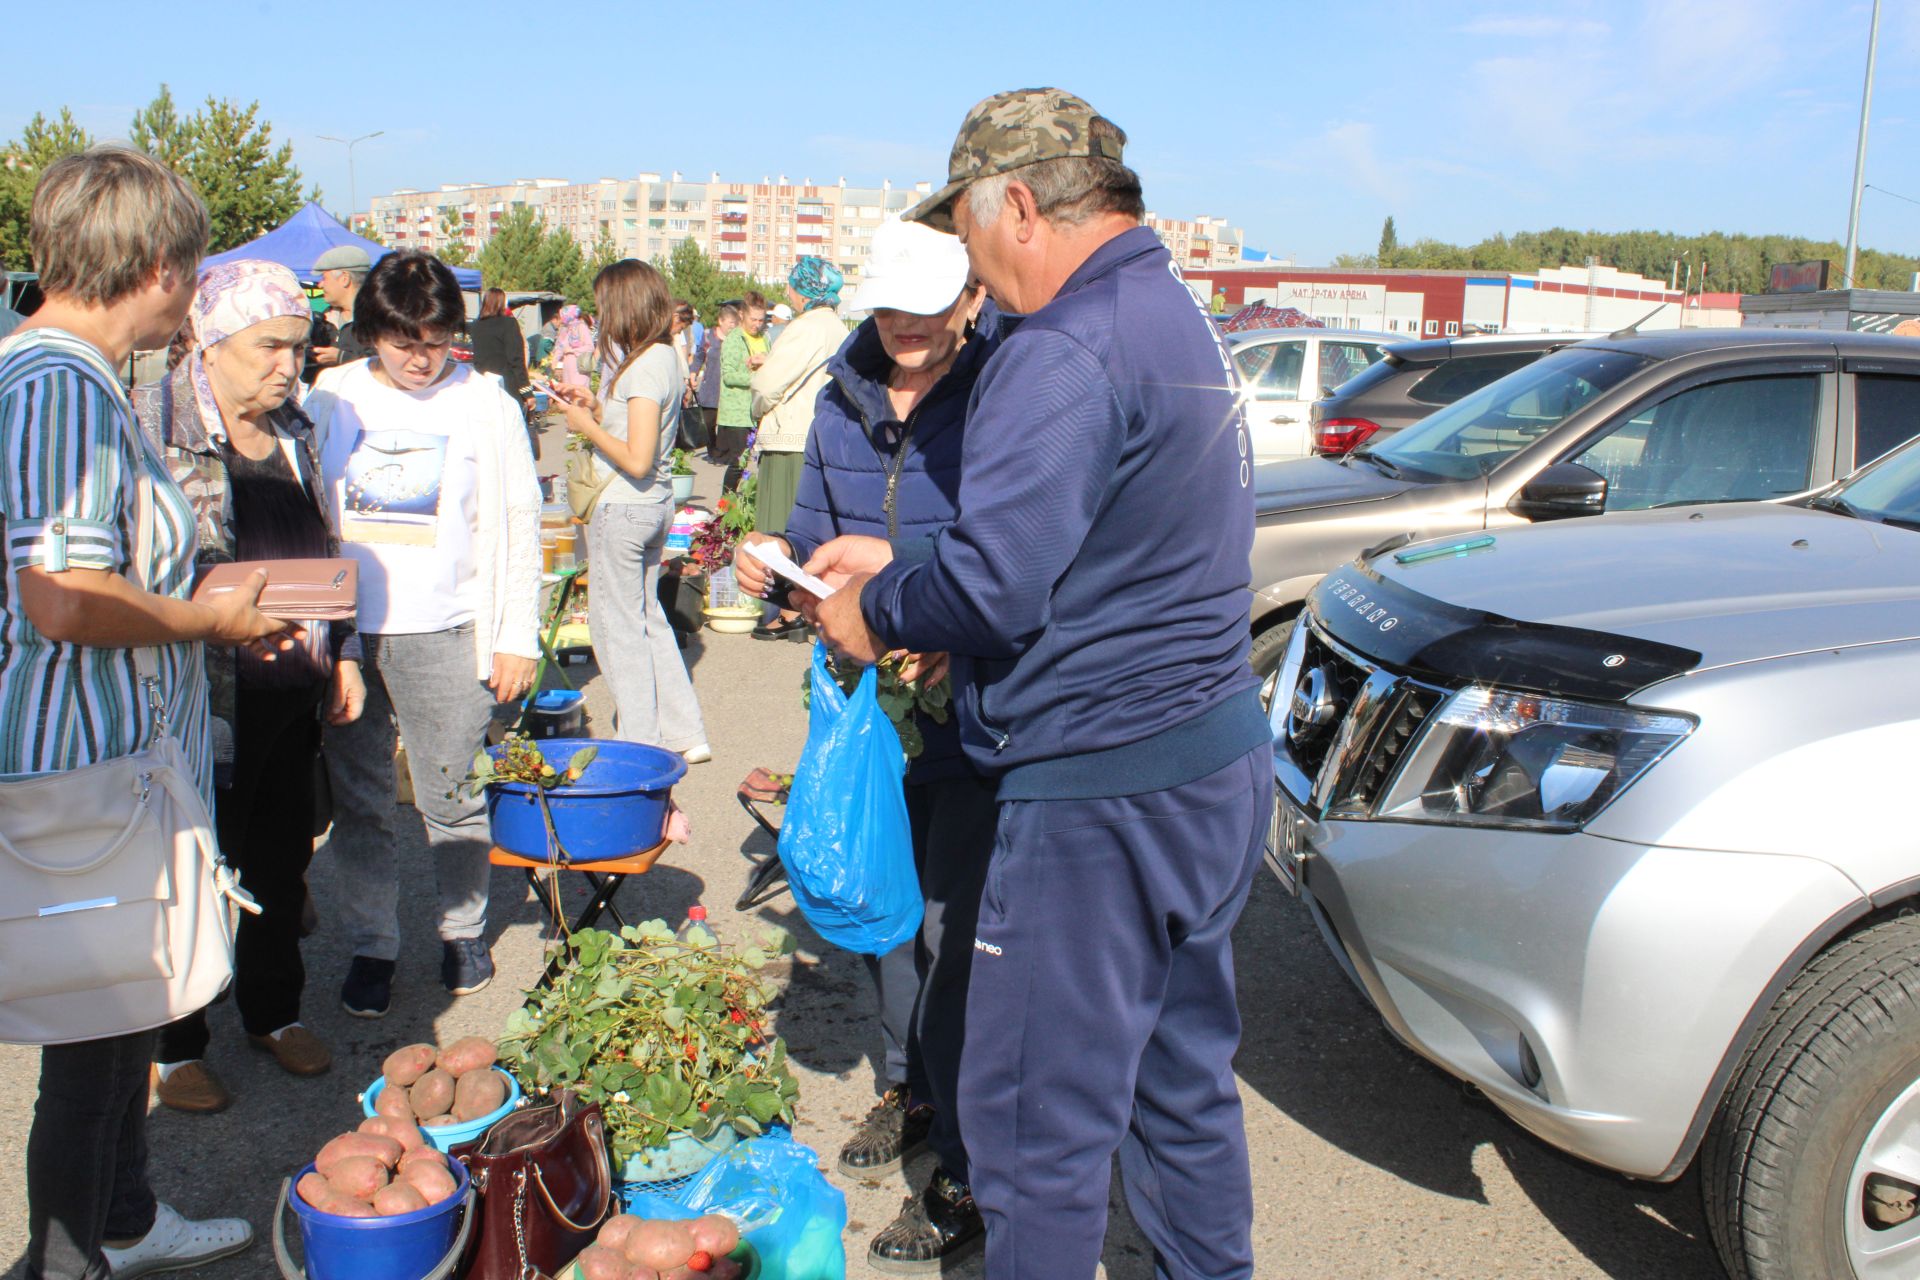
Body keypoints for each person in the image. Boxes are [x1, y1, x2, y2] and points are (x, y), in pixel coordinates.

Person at [801, 89, 1273, 1280]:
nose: (966, 262)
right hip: (1206, 762)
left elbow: (1000, 586)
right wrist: (913, 560)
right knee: (1180, 1089)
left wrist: (876, 605)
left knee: (1034, 1136)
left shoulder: (1060, 343)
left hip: (1097, 797)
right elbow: (1096, 539)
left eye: (963, 230)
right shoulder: (1173, 315)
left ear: (1017, 201)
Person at [4, 145, 287, 1280]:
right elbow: (64, 592)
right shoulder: (61, 383)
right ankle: (65, 1256)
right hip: (80, 772)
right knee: (90, 1045)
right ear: (161, 266)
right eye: (195, 266)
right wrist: (201, 622)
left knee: (119, 1028)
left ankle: (121, 1219)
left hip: (105, 759)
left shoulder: (67, 377)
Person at [733, 219, 999, 1271]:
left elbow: (1010, 548)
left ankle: (970, 1164)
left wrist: (918, 595)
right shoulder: (841, 395)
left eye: (928, 310)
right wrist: (774, 562)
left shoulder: (1000, 393)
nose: (906, 329)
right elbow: (812, 534)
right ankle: (910, 1086)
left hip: (967, 696)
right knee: (891, 914)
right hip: (867, 705)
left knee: (961, 924)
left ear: (970, 302)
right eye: (888, 309)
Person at [134, 260, 368, 1114]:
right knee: (192, 861)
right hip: (195, 692)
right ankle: (174, 1042)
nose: (288, 366)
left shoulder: (298, 430)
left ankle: (272, 1012)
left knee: (277, 853)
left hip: (287, 686)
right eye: (270, 347)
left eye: (299, 348)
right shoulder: (151, 424)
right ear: (209, 337)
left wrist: (341, 653)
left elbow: (325, 544)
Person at [308, 250, 543, 1015]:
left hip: (446, 628)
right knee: (362, 799)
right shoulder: (332, 397)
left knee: (451, 792)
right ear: (371, 331)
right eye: (403, 340)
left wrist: (516, 635)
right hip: (349, 635)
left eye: (436, 340)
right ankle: (373, 941)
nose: (420, 358)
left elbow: (516, 521)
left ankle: (461, 928)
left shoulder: (486, 403)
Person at [549, 260, 710, 762]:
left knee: (616, 627)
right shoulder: (663, 356)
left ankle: (640, 739)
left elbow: (636, 457)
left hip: (624, 505)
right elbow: (643, 431)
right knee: (648, 618)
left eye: (602, 306)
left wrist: (583, 423)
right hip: (653, 505)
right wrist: (597, 409)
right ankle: (685, 732)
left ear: (622, 306)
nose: (599, 317)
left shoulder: (640, 365)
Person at [747, 257, 844, 641]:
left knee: (783, 528)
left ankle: (787, 613)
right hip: (822, 435)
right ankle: (804, 609)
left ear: (804, 290)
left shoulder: (806, 327)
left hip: (791, 438)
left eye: (791, 287)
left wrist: (758, 391)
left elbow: (768, 384)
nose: (787, 293)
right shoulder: (838, 327)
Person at [713, 290, 768, 482]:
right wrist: (754, 377)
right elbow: (728, 376)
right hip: (738, 413)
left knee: (761, 462)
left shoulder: (765, 337)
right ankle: (725, 504)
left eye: (761, 320)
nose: (757, 325)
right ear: (742, 315)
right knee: (739, 463)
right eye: (753, 319)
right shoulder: (734, 339)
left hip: (759, 409)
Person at [307, 245, 374, 370]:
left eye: (324, 278)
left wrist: (342, 358)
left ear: (344, 279)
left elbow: (387, 365)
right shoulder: (324, 321)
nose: (320, 285)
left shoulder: (379, 320)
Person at [469, 286, 533, 411]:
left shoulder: (475, 326)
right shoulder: (509, 324)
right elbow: (516, 358)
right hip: (505, 385)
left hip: (481, 385)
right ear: (502, 303)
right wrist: (527, 391)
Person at [692, 302, 738, 460]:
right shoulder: (708, 335)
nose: (734, 326)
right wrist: (693, 372)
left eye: (735, 323)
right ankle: (713, 450)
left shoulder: (737, 338)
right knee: (708, 423)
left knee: (726, 424)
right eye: (731, 322)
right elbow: (699, 356)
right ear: (721, 321)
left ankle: (721, 453)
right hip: (710, 387)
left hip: (729, 388)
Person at [551, 303, 595, 388]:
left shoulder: (581, 327)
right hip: (567, 369)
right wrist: (554, 363)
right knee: (568, 394)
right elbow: (560, 347)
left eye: (562, 315)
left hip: (579, 367)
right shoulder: (566, 329)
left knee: (579, 393)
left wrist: (572, 350)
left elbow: (590, 347)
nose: (561, 318)